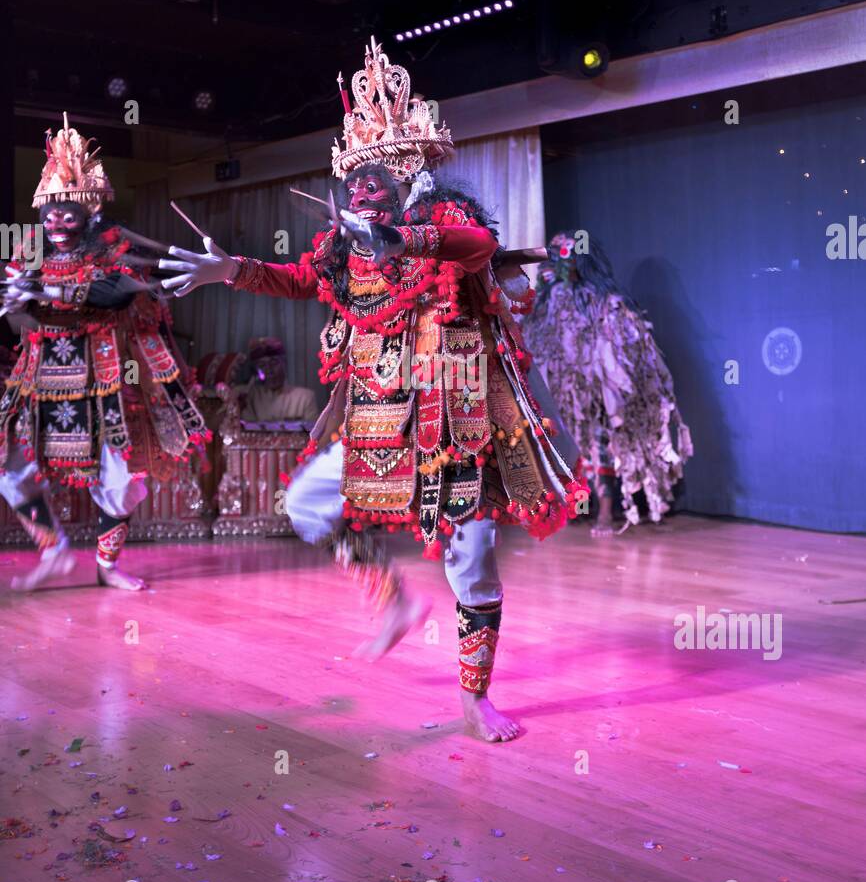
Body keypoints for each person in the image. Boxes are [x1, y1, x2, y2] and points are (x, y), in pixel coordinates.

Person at [162, 39, 584, 742]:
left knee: (473, 568)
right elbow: (300, 279)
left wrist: (404, 242)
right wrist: (230, 269)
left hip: (454, 427)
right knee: (303, 502)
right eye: (355, 171)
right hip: (376, 423)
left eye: (379, 170)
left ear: (412, 171)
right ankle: (392, 604)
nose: (364, 184)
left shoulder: (445, 225)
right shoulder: (342, 250)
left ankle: (474, 699)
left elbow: (478, 246)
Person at [0, 115, 207, 590]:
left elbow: (117, 289)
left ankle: (107, 565)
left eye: (68, 215)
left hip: (104, 376)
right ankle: (53, 550)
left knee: (122, 479)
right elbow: (19, 314)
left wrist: (49, 292)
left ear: (89, 216)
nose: (56, 225)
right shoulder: (30, 249)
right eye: (50, 214)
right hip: (42, 375)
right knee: (10, 464)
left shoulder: (109, 247)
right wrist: (16, 301)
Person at [524, 230, 692, 532]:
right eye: (554, 254)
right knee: (573, 442)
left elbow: (625, 341)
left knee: (603, 439)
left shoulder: (605, 300)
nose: (559, 262)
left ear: (582, 260)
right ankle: (578, 504)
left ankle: (605, 510)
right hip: (565, 389)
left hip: (599, 388)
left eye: (566, 255)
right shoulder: (548, 302)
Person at [241, 337, 319, 424]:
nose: (269, 370)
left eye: (273, 363)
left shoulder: (305, 398)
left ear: (284, 363)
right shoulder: (250, 397)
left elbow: (313, 433)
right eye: (262, 365)